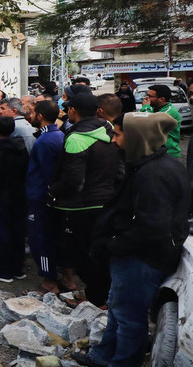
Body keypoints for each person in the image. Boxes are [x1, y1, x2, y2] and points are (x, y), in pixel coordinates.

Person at [73, 111, 189, 367]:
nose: (113, 140)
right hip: (134, 257)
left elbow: (152, 228)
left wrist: (113, 245)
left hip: (141, 260)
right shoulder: (150, 166)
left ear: (136, 137)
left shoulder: (154, 175)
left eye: (117, 134)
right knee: (118, 310)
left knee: (129, 319)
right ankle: (103, 356)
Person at [49, 92, 123, 307]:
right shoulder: (110, 132)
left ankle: (98, 300)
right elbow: (119, 170)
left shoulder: (76, 138)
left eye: (68, 109)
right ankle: (99, 296)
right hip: (106, 203)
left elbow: (73, 180)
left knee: (82, 256)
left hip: (80, 207)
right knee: (99, 253)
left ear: (73, 111)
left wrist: (52, 191)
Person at [0, 116, 30, 283]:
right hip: (20, 196)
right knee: (17, 232)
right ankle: (17, 268)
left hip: (3, 197)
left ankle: (5, 271)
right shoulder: (21, 146)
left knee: (3, 234)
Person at [28, 100, 64, 294]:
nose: (31, 116)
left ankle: (49, 282)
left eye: (33, 112)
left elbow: (49, 173)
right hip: (44, 197)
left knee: (40, 240)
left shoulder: (45, 140)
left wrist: (47, 195)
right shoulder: (57, 135)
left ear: (40, 116)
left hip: (40, 198)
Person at [139, 84, 181, 159]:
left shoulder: (169, 112)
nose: (146, 98)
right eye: (146, 95)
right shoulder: (155, 109)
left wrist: (146, 107)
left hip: (169, 154)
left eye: (150, 96)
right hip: (157, 153)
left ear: (161, 99)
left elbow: (149, 123)